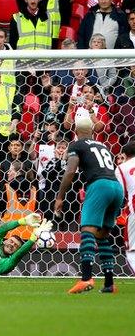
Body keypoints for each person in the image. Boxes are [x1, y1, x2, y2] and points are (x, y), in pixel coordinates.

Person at [54, 117, 124, 294]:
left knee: (87, 232)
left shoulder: (76, 145)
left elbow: (70, 171)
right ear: (92, 131)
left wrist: (60, 197)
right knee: (102, 236)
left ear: (76, 132)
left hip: (99, 186)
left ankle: (86, 279)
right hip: (116, 187)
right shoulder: (103, 146)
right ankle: (109, 284)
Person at [115, 141, 135, 273]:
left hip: (134, 210)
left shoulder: (121, 168)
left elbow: (120, 194)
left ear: (125, 156)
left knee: (131, 249)